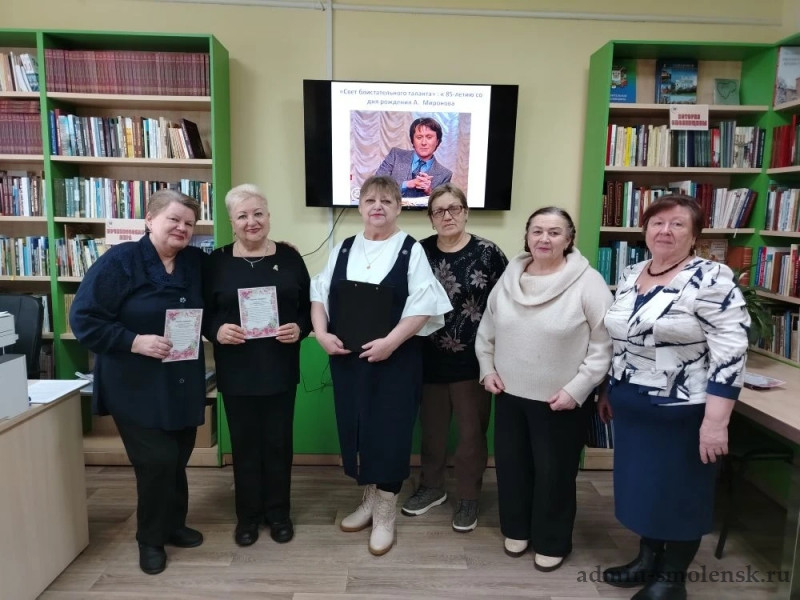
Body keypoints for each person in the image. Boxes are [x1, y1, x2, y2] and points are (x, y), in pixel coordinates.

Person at [598, 194, 750, 600]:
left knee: (681, 494)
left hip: (683, 411)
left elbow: (731, 353)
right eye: (657, 223)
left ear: (694, 234)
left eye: (677, 224)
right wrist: (608, 388)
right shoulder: (632, 272)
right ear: (645, 230)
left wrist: (715, 423)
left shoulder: (712, 278)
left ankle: (671, 579)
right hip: (633, 407)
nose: (665, 231)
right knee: (645, 489)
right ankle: (647, 560)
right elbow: (622, 340)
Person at [310, 175, 452, 556]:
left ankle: (386, 511)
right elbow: (319, 294)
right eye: (370, 200)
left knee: (390, 432)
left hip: (396, 361)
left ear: (399, 208)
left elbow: (424, 305)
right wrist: (321, 334)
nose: (378, 207)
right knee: (357, 430)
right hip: (348, 363)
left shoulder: (410, 250)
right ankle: (370, 499)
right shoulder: (342, 248)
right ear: (359, 206)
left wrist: (391, 343)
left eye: (387, 201)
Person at [69, 189, 206, 576]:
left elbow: (228, 278)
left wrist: (279, 251)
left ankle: (173, 524)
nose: (182, 228)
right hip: (135, 383)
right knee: (156, 462)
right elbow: (83, 319)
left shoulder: (195, 262)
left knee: (177, 457)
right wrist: (134, 341)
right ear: (149, 219)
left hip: (181, 380)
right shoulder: (120, 261)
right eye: (173, 219)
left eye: (189, 223)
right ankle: (150, 539)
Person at [475, 206, 612, 572]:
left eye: (554, 232)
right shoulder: (509, 277)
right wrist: (487, 369)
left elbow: (604, 345)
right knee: (512, 468)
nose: (544, 239)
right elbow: (487, 331)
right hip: (509, 395)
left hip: (560, 400)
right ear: (527, 236)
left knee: (555, 474)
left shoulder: (589, 283)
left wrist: (577, 389)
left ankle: (552, 540)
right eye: (537, 231)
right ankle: (517, 529)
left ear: (569, 239)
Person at [202, 184, 311, 548]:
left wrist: (301, 329)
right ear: (232, 222)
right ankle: (247, 516)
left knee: (279, 444)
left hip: (279, 368)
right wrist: (217, 331)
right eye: (243, 216)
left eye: (258, 213)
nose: (252, 221)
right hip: (236, 371)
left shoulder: (290, 258)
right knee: (245, 445)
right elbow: (203, 313)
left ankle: (279, 514)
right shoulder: (215, 262)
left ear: (268, 216)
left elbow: (308, 308)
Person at [400, 183, 507, 532]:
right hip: (426, 359)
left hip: (473, 361)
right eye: (439, 211)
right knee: (431, 432)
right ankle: (432, 488)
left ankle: (468, 497)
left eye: (454, 208)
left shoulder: (489, 253)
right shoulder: (419, 252)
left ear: (465, 212)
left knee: (471, 434)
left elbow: (507, 304)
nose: (447, 216)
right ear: (431, 218)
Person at [375, 117, 453, 198]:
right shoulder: (396, 155)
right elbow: (375, 185)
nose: (423, 143)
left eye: (429, 137)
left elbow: (442, 203)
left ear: (437, 141)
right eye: (419, 137)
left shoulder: (445, 174)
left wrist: (430, 193)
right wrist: (407, 184)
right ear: (413, 140)